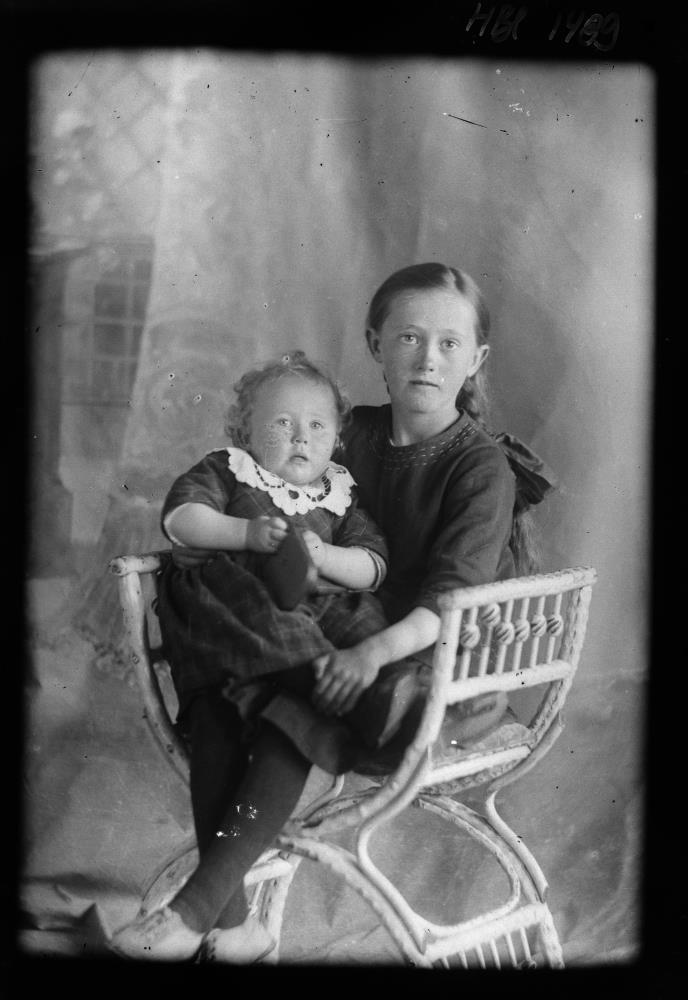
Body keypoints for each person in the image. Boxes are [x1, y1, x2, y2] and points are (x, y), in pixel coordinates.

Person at [110, 263, 555, 964]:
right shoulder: (344, 433)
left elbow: (447, 599)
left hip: (422, 666)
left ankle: (198, 911)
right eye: (408, 337)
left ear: (476, 359)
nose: (427, 359)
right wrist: (220, 536)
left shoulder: (478, 468)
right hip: (310, 641)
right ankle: (233, 926)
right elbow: (268, 477)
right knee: (224, 710)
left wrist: (369, 653)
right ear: (376, 344)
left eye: (448, 343)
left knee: (290, 713)